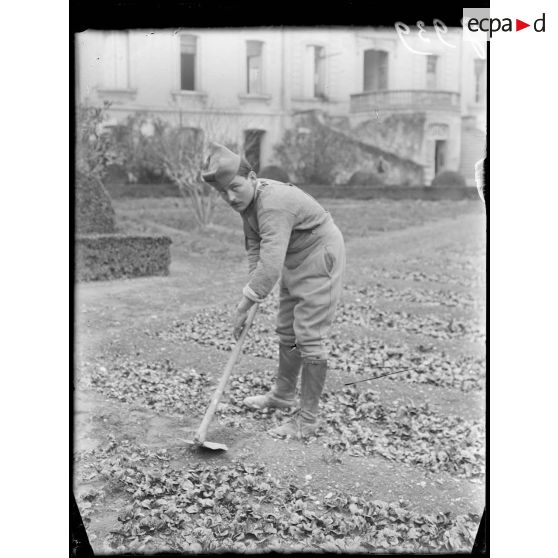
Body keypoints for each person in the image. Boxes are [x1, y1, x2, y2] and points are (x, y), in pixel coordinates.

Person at [202, 143, 346, 440]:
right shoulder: (248, 203)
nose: (230, 197)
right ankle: (282, 395)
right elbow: (256, 251)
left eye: (235, 188)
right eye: (223, 192)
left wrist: (244, 304)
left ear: (252, 176)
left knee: (309, 334)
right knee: (286, 330)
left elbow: (269, 264)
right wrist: (251, 293)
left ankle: (306, 421)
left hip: (321, 256)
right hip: (294, 257)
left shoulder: (273, 204)